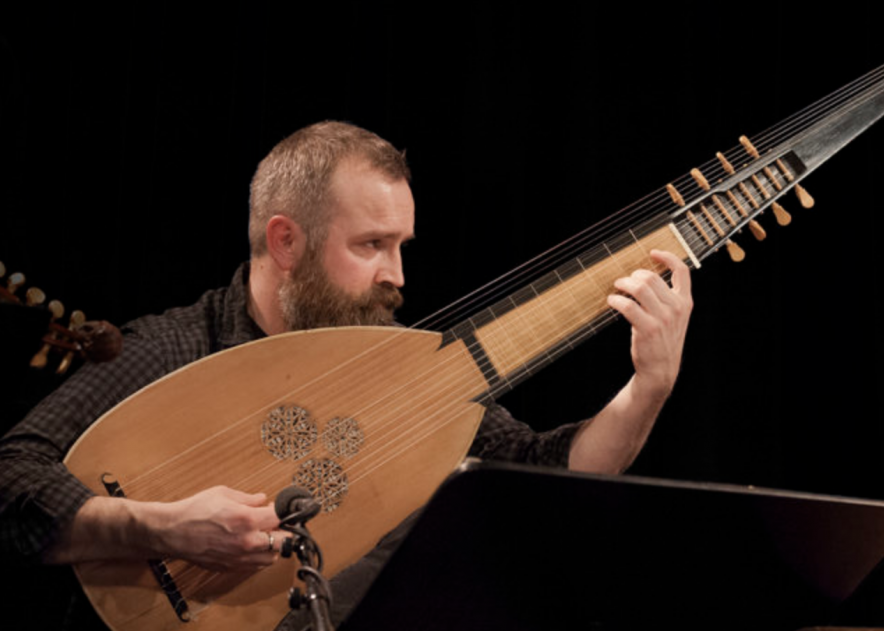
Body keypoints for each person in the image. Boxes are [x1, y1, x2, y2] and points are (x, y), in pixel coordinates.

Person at [0, 121, 693, 628]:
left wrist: (647, 388)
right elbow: (11, 476)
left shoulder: (399, 361)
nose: (397, 275)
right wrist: (163, 526)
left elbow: (541, 473)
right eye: (370, 245)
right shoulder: (178, 345)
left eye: (401, 246)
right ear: (286, 241)